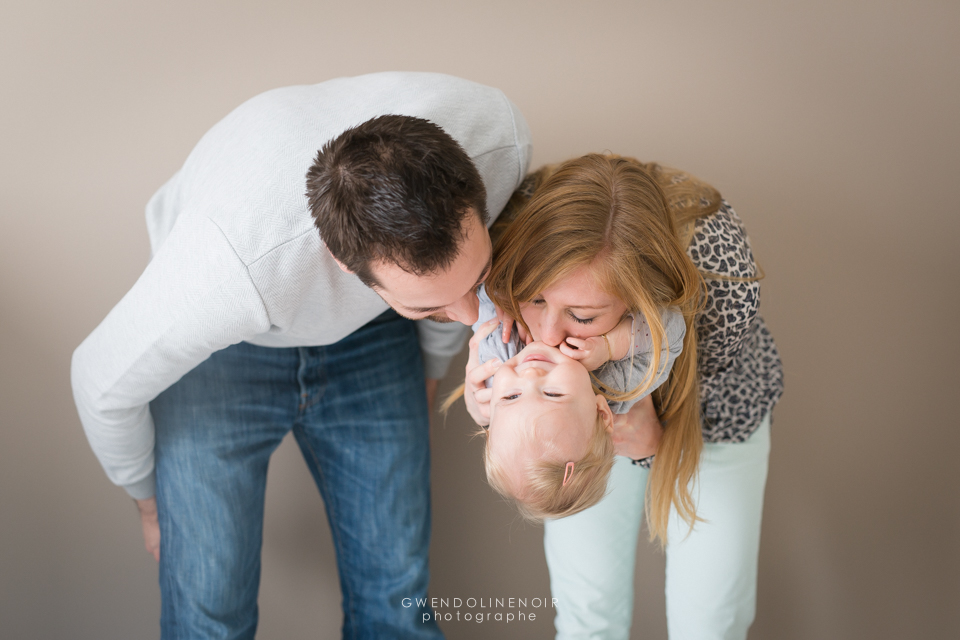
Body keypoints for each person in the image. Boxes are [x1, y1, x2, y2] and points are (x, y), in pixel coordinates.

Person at [70, 72, 531, 639]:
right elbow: (97, 379)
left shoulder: (500, 141)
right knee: (208, 605)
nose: (468, 318)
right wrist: (147, 499)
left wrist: (430, 371)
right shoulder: (224, 269)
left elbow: (456, 300)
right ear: (343, 262)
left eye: (476, 279)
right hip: (228, 346)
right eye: (434, 306)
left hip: (375, 332)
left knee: (396, 594)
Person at [463, 154, 784, 639]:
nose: (546, 338)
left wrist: (650, 429)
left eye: (584, 316)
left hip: (708, 412)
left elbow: (667, 336)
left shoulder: (721, 280)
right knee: (588, 605)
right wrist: (481, 394)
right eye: (534, 298)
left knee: (710, 619)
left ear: (639, 305)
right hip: (576, 437)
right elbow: (483, 316)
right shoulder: (508, 232)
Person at [465, 283, 686, 519]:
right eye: (553, 394)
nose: (529, 375)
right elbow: (671, 330)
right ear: (601, 413)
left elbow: (481, 287)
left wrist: (503, 300)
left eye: (512, 396)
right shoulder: (616, 385)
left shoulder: (498, 356)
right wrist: (611, 345)